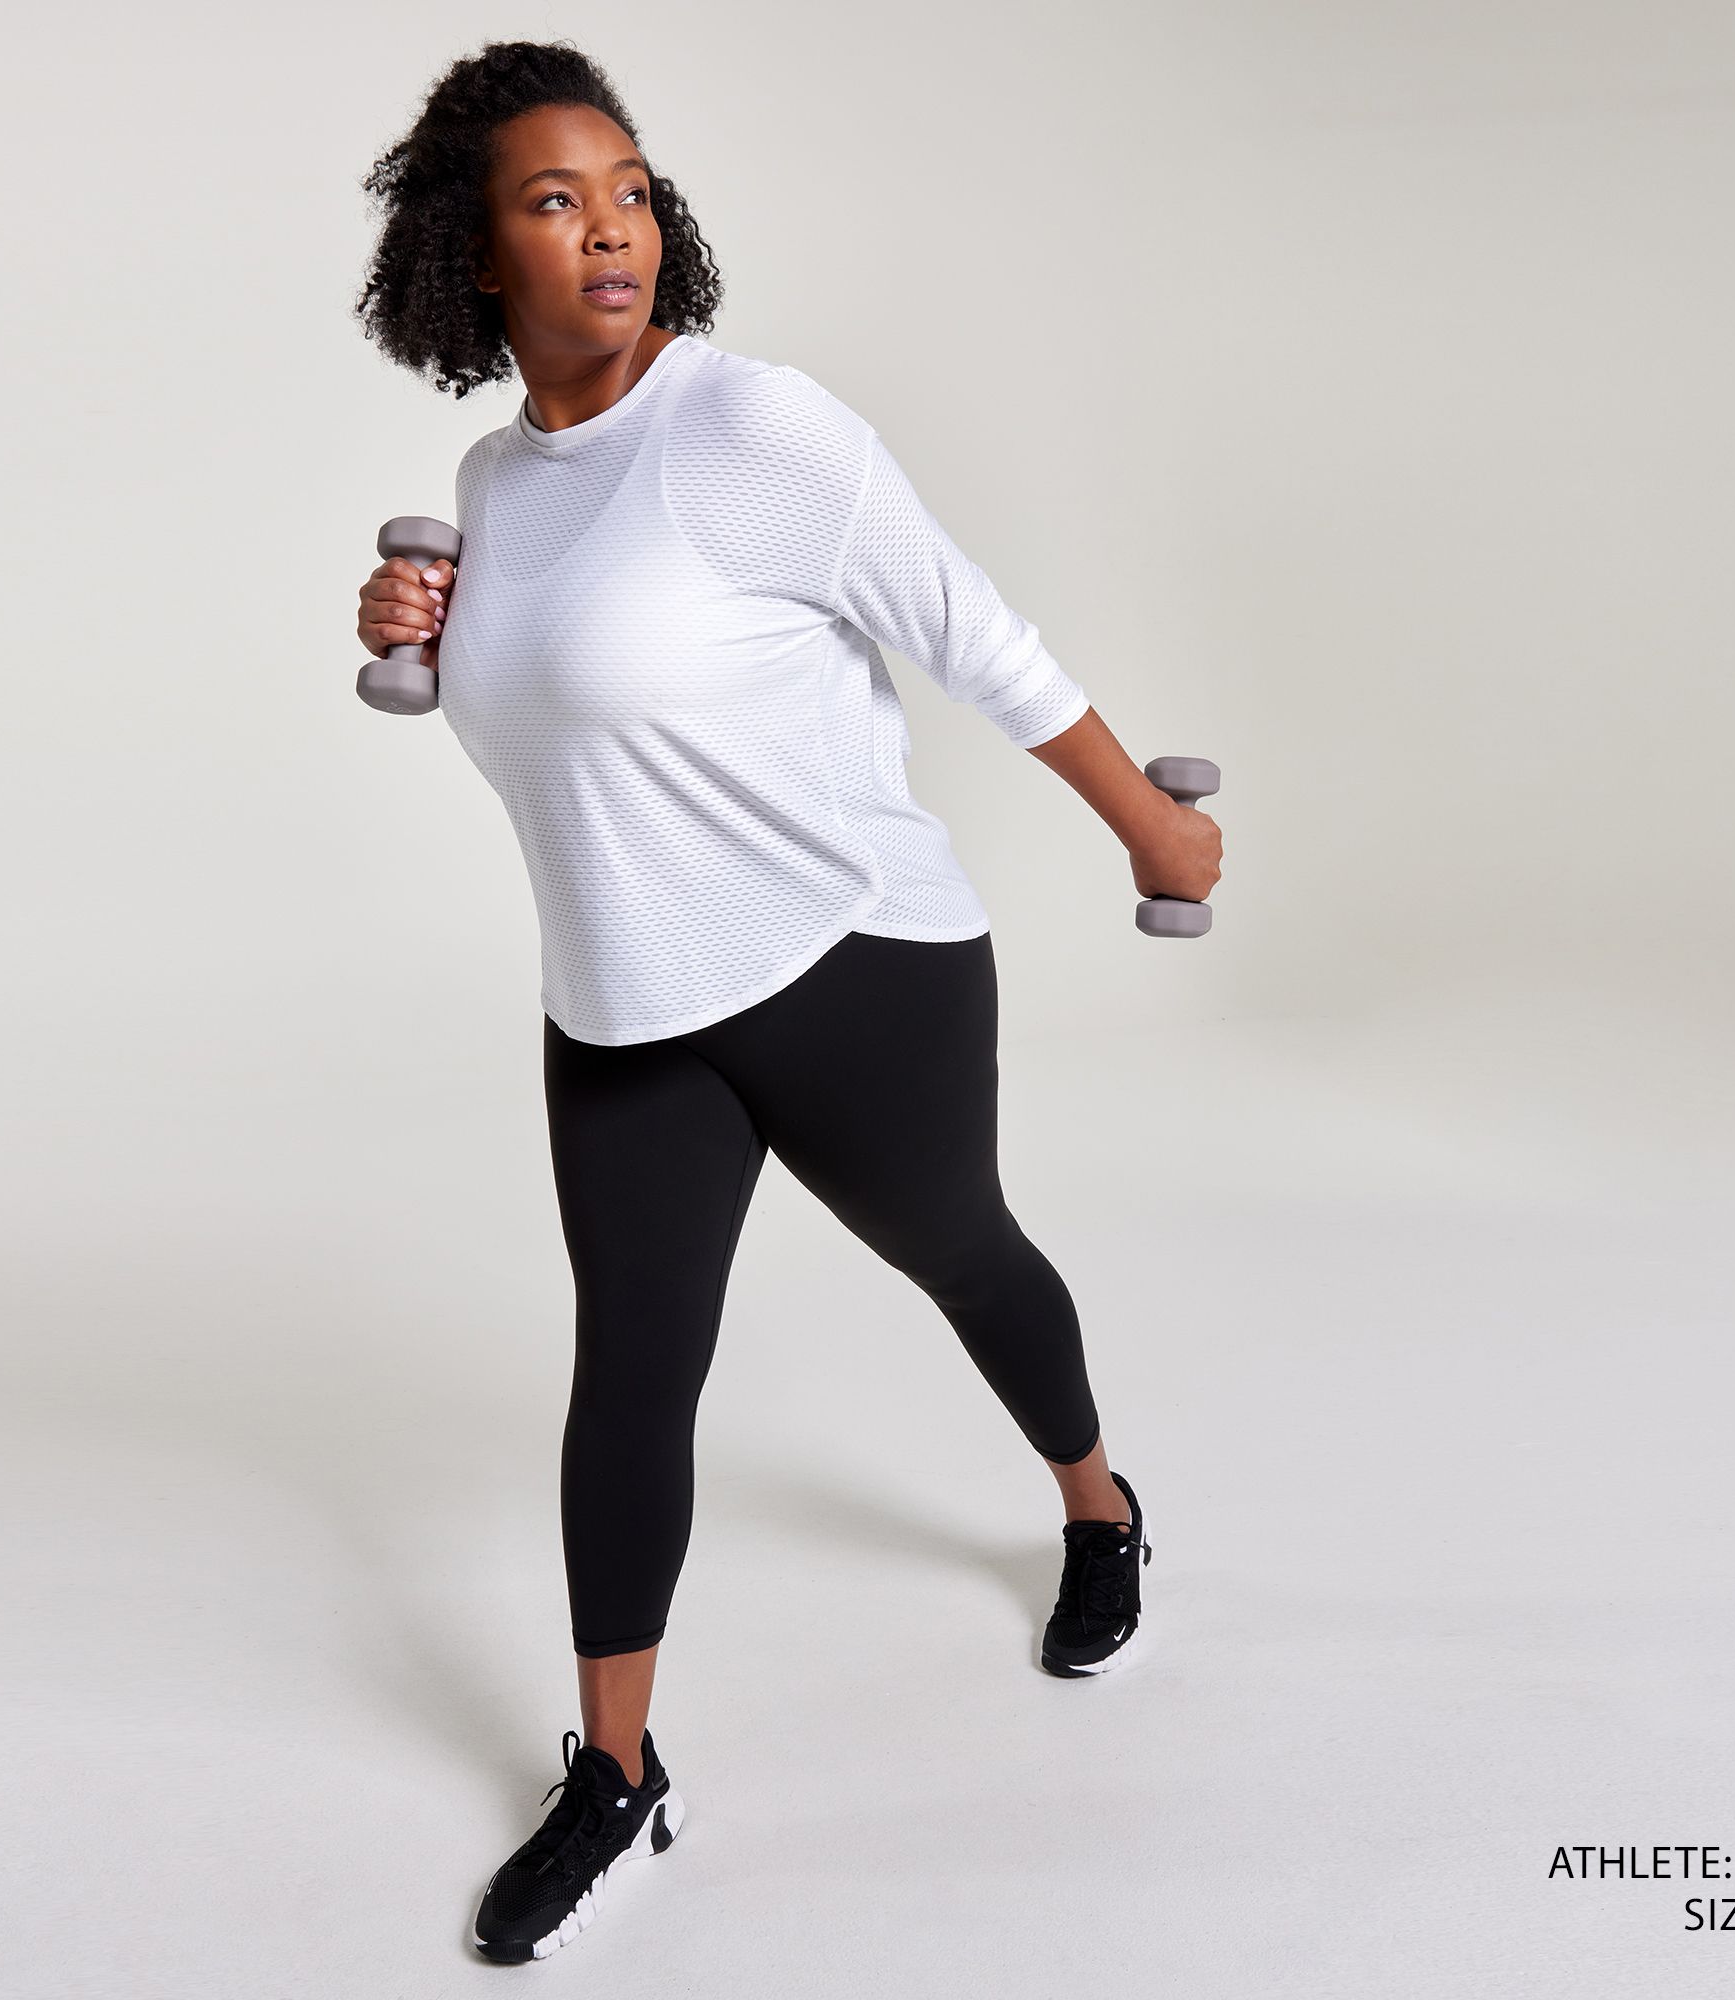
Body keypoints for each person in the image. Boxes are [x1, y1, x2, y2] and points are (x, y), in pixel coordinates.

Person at [353, 37, 1221, 1965]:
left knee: (965, 1256)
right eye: (555, 201)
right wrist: (424, 629)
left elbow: (973, 634)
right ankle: (616, 1771)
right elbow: (568, 721)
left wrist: (1152, 828)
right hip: (624, 1002)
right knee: (632, 1375)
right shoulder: (495, 482)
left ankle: (1097, 1507)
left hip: (850, 962)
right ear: (476, 257)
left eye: (631, 192)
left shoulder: (757, 429)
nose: (611, 231)